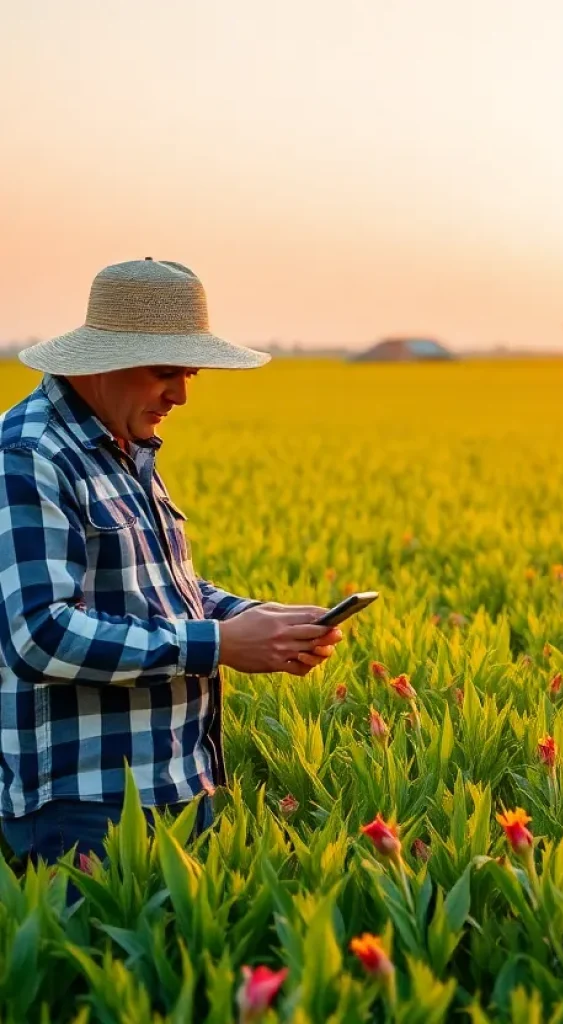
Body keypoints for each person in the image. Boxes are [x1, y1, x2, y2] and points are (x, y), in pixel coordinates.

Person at [0, 258, 342, 900]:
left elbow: (158, 589)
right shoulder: (31, 455)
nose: (182, 395)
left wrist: (255, 620)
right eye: (167, 373)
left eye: (189, 373)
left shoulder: (123, 445)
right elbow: (38, 635)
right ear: (106, 361)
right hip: (87, 808)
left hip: (179, 786)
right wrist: (217, 645)